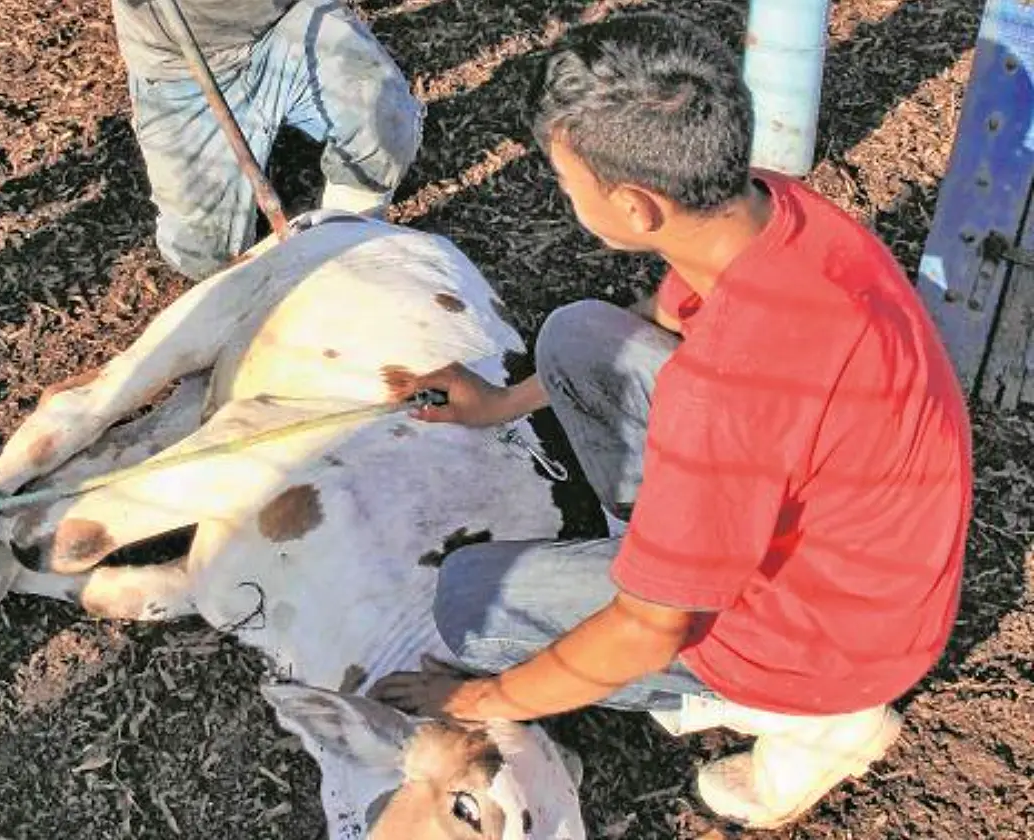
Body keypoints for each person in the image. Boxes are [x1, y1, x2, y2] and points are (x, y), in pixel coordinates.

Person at [369, 9, 972, 830]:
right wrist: (501, 405)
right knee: (579, 337)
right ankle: (665, 555)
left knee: (470, 604)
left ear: (634, 207)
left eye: (565, 180)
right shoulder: (780, 212)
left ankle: (814, 725)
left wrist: (480, 697)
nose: (564, 193)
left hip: (836, 650)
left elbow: (648, 631)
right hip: (871, 562)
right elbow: (670, 314)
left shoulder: (724, 393)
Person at [113, 0, 424, 279]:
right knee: (205, 258)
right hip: (181, 64)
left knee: (385, 126)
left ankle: (347, 240)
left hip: (284, 20)